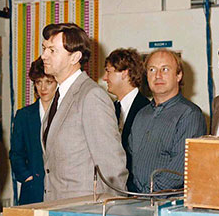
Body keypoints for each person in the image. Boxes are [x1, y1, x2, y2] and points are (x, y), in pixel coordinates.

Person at [40, 23, 128, 200]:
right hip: (58, 207)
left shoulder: (91, 96)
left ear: (75, 57)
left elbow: (112, 167)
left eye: (52, 50)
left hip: (84, 211)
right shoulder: (59, 96)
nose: (43, 56)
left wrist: (115, 213)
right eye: (44, 49)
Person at [127, 49, 206, 193]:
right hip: (137, 201)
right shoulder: (141, 115)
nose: (158, 76)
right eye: (152, 69)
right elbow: (131, 161)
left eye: (165, 69)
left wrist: (146, 194)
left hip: (168, 204)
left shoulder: (190, 114)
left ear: (179, 75)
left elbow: (179, 170)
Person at [10, 57, 58, 205]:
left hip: (60, 189)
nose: (43, 88)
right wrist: (27, 177)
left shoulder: (66, 113)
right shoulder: (24, 115)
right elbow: (16, 153)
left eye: (48, 82)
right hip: (32, 190)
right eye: (38, 82)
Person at [102, 48, 150, 187]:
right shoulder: (111, 109)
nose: (105, 77)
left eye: (108, 71)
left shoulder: (146, 109)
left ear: (124, 73)